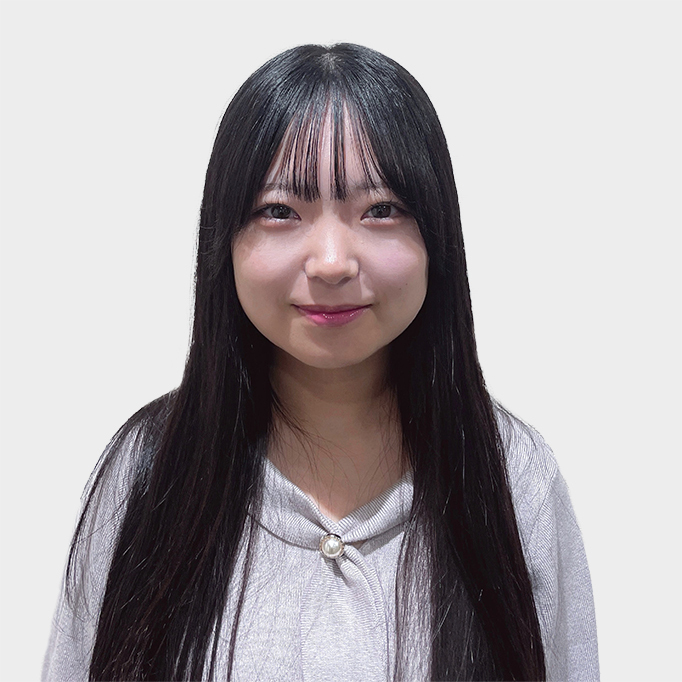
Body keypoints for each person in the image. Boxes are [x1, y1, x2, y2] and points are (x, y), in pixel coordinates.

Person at [42, 43, 599, 682]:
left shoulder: (514, 479)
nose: (332, 262)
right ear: (225, 240)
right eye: (280, 211)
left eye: (380, 210)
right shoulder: (149, 472)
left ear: (436, 236)